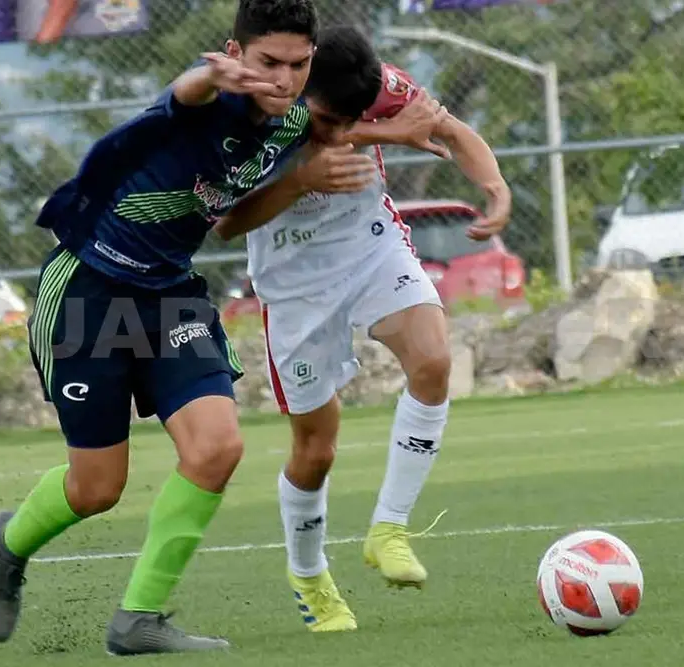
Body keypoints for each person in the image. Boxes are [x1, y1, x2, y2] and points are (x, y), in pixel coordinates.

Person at [0, 0, 384, 655]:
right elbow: (183, 93)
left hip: (169, 297)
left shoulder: (294, 120)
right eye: (266, 62)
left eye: (297, 64)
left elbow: (230, 219)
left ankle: (139, 617)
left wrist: (409, 137)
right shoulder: (209, 98)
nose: (282, 78)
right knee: (95, 489)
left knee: (217, 447)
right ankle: (9, 541)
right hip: (90, 289)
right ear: (236, 53)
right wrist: (208, 77)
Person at [215, 25, 512, 633]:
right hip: (293, 287)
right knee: (316, 448)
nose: (335, 125)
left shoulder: (371, 82)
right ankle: (308, 574)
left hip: (370, 248)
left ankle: (390, 528)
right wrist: (383, 136)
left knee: (433, 361)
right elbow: (228, 221)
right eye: (326, 116)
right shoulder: (252, 109)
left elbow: (451, 130)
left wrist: (496, 188)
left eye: (351, 115)